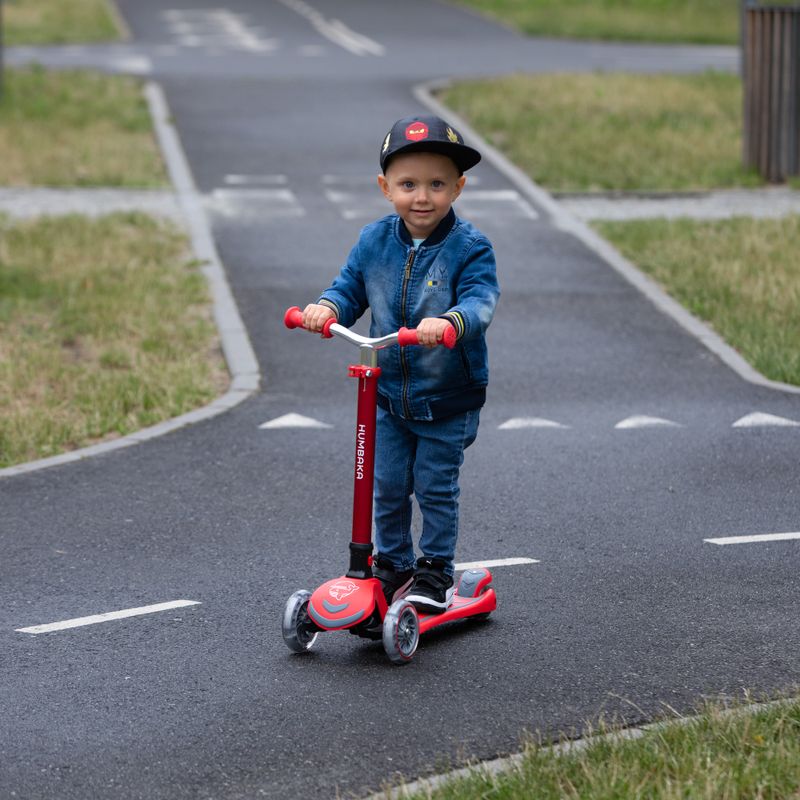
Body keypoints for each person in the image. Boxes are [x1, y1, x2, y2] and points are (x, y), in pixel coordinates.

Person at [302, 114, 500, 614]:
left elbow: (481, 300)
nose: (422, 197)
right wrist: (328, 308)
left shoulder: (470, 247)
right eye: (408, 184)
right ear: (385, 187)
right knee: (386, 483)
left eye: (437, 184)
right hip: (388, 393)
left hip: (445, 398)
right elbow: (350, 287)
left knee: (433, 486)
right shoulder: (374, 241)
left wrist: (453, 321)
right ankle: (391, 564)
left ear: (458, 187)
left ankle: (434, 570)